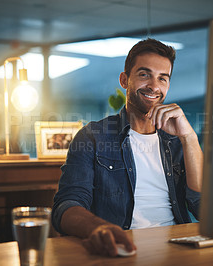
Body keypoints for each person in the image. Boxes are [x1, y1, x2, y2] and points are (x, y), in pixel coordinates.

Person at [52, 38, 203, 257]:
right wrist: (98, 228)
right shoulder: (93, 137)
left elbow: (202, 206)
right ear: (125, 80)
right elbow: (66, 206)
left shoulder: (178, 140)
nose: (154, 86)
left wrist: (189, 137)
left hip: (178, 248)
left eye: (163, 78)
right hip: (123, 248)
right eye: (145, 74)